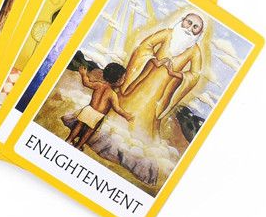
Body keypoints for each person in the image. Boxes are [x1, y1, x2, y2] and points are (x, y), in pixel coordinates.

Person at [119, 13, 204, 142]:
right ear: (182, 20)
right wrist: (155, 61)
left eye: (195, 27)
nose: (190, 28)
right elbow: (145, 46)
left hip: (164, 90)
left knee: (149, 119)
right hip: (146, 79)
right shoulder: (167, 33)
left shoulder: (195, 51)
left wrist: (174, 73)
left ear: (200, 32)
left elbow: (195, 75)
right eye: (189, 22)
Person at [66, 63, 132, 150]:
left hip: (88, 109)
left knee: (79, 125)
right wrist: (127, 115)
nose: (124, 79)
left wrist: (83, 74)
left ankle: (69, 140)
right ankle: (78, 146)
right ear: (118, 81)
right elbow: (117, 109)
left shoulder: (98, 85)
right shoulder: (112, 94)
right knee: (89, 131)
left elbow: (86, 83)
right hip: (98, 116)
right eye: (123, 78)